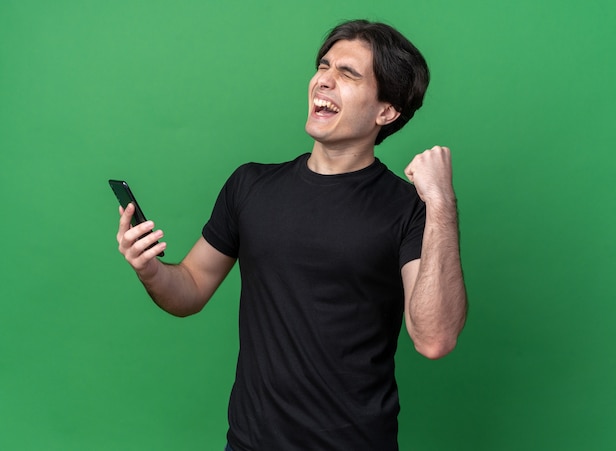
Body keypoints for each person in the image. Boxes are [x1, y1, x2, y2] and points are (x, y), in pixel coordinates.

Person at [116, 19, 467, 451]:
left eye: (348, 74)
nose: (324, 80)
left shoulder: (408, 209)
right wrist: (150, 269)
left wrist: (441, 205)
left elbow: (434, 338)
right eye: (324, 66)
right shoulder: (250, 186)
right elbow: (189, 289)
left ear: (386, 110)